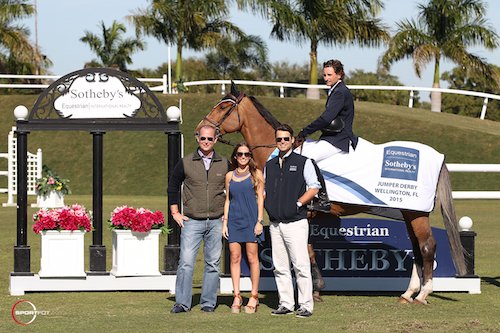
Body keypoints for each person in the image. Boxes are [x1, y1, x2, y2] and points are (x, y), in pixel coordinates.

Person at [168, 125, 229, 314]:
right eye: (203, 138)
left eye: (210, 139)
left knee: (213, 263)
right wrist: (175, 213)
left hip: (217, 221)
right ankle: (182, 303)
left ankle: (208, 302)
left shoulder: (225, 163)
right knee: (186, 262)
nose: (206, 142)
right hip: (192, 221)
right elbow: (172, 187)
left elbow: (235, 187)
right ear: (197, 138)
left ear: (216, 140)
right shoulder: (186, 162)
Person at [264, 124, 322, 319]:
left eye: (285, 139)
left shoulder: (303, 162)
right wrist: (268, 204)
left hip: (296, 222)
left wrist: (298, 203)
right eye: (279, 139)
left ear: (292, 141)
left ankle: (306, 305)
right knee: (280, 266)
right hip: (275, 223)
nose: (282, 142)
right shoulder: (269, 165)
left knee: (300, 265)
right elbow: (264, 190)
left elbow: (314, 188)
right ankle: (286, 303)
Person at [296, 59, 359, 212]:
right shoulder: (336, 89)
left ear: (339, 74)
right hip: (331, 137)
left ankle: (323, 199)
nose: (326, 78)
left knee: (305, 159)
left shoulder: (340, 92)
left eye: (329, 75)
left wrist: (304, 132)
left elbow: (326, 118)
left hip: (338, 140)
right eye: (324, 75)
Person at [222, 142, 265, 314]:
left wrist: (259, 221)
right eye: (240, 154)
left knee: (252, 257)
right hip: (233, 220)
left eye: (247, 154)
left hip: (251, 220)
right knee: (234, 257)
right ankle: (237, 296)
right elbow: (228, 200)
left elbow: (261, 200)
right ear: (235, 156)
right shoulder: (229, 176)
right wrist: (224, 222)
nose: (243, 157)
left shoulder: (257, 174)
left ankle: (254, 297)